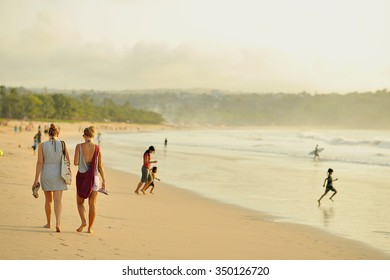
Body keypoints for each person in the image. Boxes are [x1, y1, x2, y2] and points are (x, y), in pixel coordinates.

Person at [32, 123, 69, 232]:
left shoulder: (42, 145)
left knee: (48, 200)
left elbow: (39, 163)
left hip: (46, 174)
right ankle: (58, 223)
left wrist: (35, 179)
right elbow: (68, 161)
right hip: (59, 174)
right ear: (58, 133)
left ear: (48, 133)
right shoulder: (62, 144)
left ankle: (49, 223)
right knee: (58, 200)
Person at [74, 126, 106, 233]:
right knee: (92, 204)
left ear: (85, 135)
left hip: (82, 177)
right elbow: (100, 166)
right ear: (93, 135)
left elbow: (75, 163)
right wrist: (104, 180)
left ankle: (83, 221)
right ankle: (90, 228)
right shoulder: (97, 148)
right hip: (95, 178)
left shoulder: (78, 146)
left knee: (80, 202)